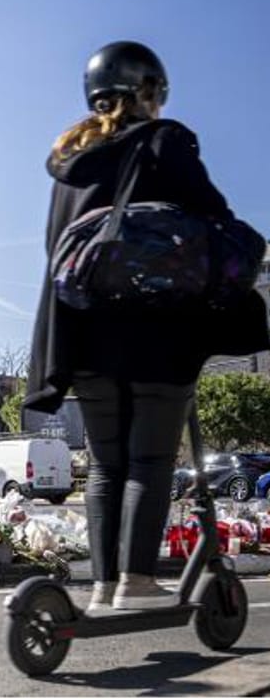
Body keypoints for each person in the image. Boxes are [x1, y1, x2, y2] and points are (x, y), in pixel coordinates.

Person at [25, 42, 269, 611]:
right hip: (157, 334)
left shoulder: (69, 164)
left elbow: (54, 251)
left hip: (82, 333)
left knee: (106, 465)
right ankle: (138, 581)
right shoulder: (164, 142)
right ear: (148, 93)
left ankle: (106, 584)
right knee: (150, 459)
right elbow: (216, 219)